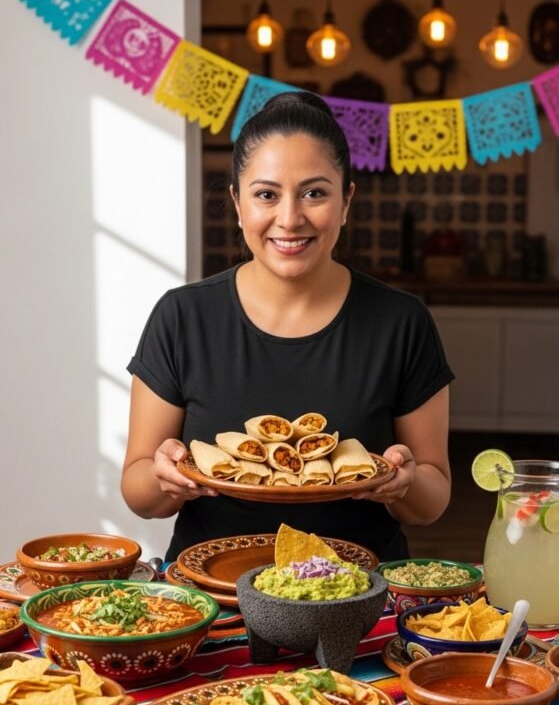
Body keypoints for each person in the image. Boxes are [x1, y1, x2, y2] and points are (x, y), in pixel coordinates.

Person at [122, 91, 454, 563]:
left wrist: (403, 483)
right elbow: (138, 492)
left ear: (346, 201)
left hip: (357, 596)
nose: (290, 218)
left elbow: (432, 499)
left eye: (315, 193)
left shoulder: (401, 322)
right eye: (266, 194)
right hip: (213, 594)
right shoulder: (182, 318)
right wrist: (166, 478)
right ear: (238, 203)